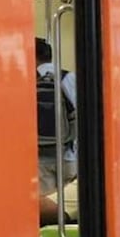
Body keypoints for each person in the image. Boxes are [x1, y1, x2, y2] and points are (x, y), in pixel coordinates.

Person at [35, 37, 78, 197]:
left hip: (41, 158)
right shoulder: (68, 77)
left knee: (47, 203)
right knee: (70, 203)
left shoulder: (28, 81)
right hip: (68, 154)